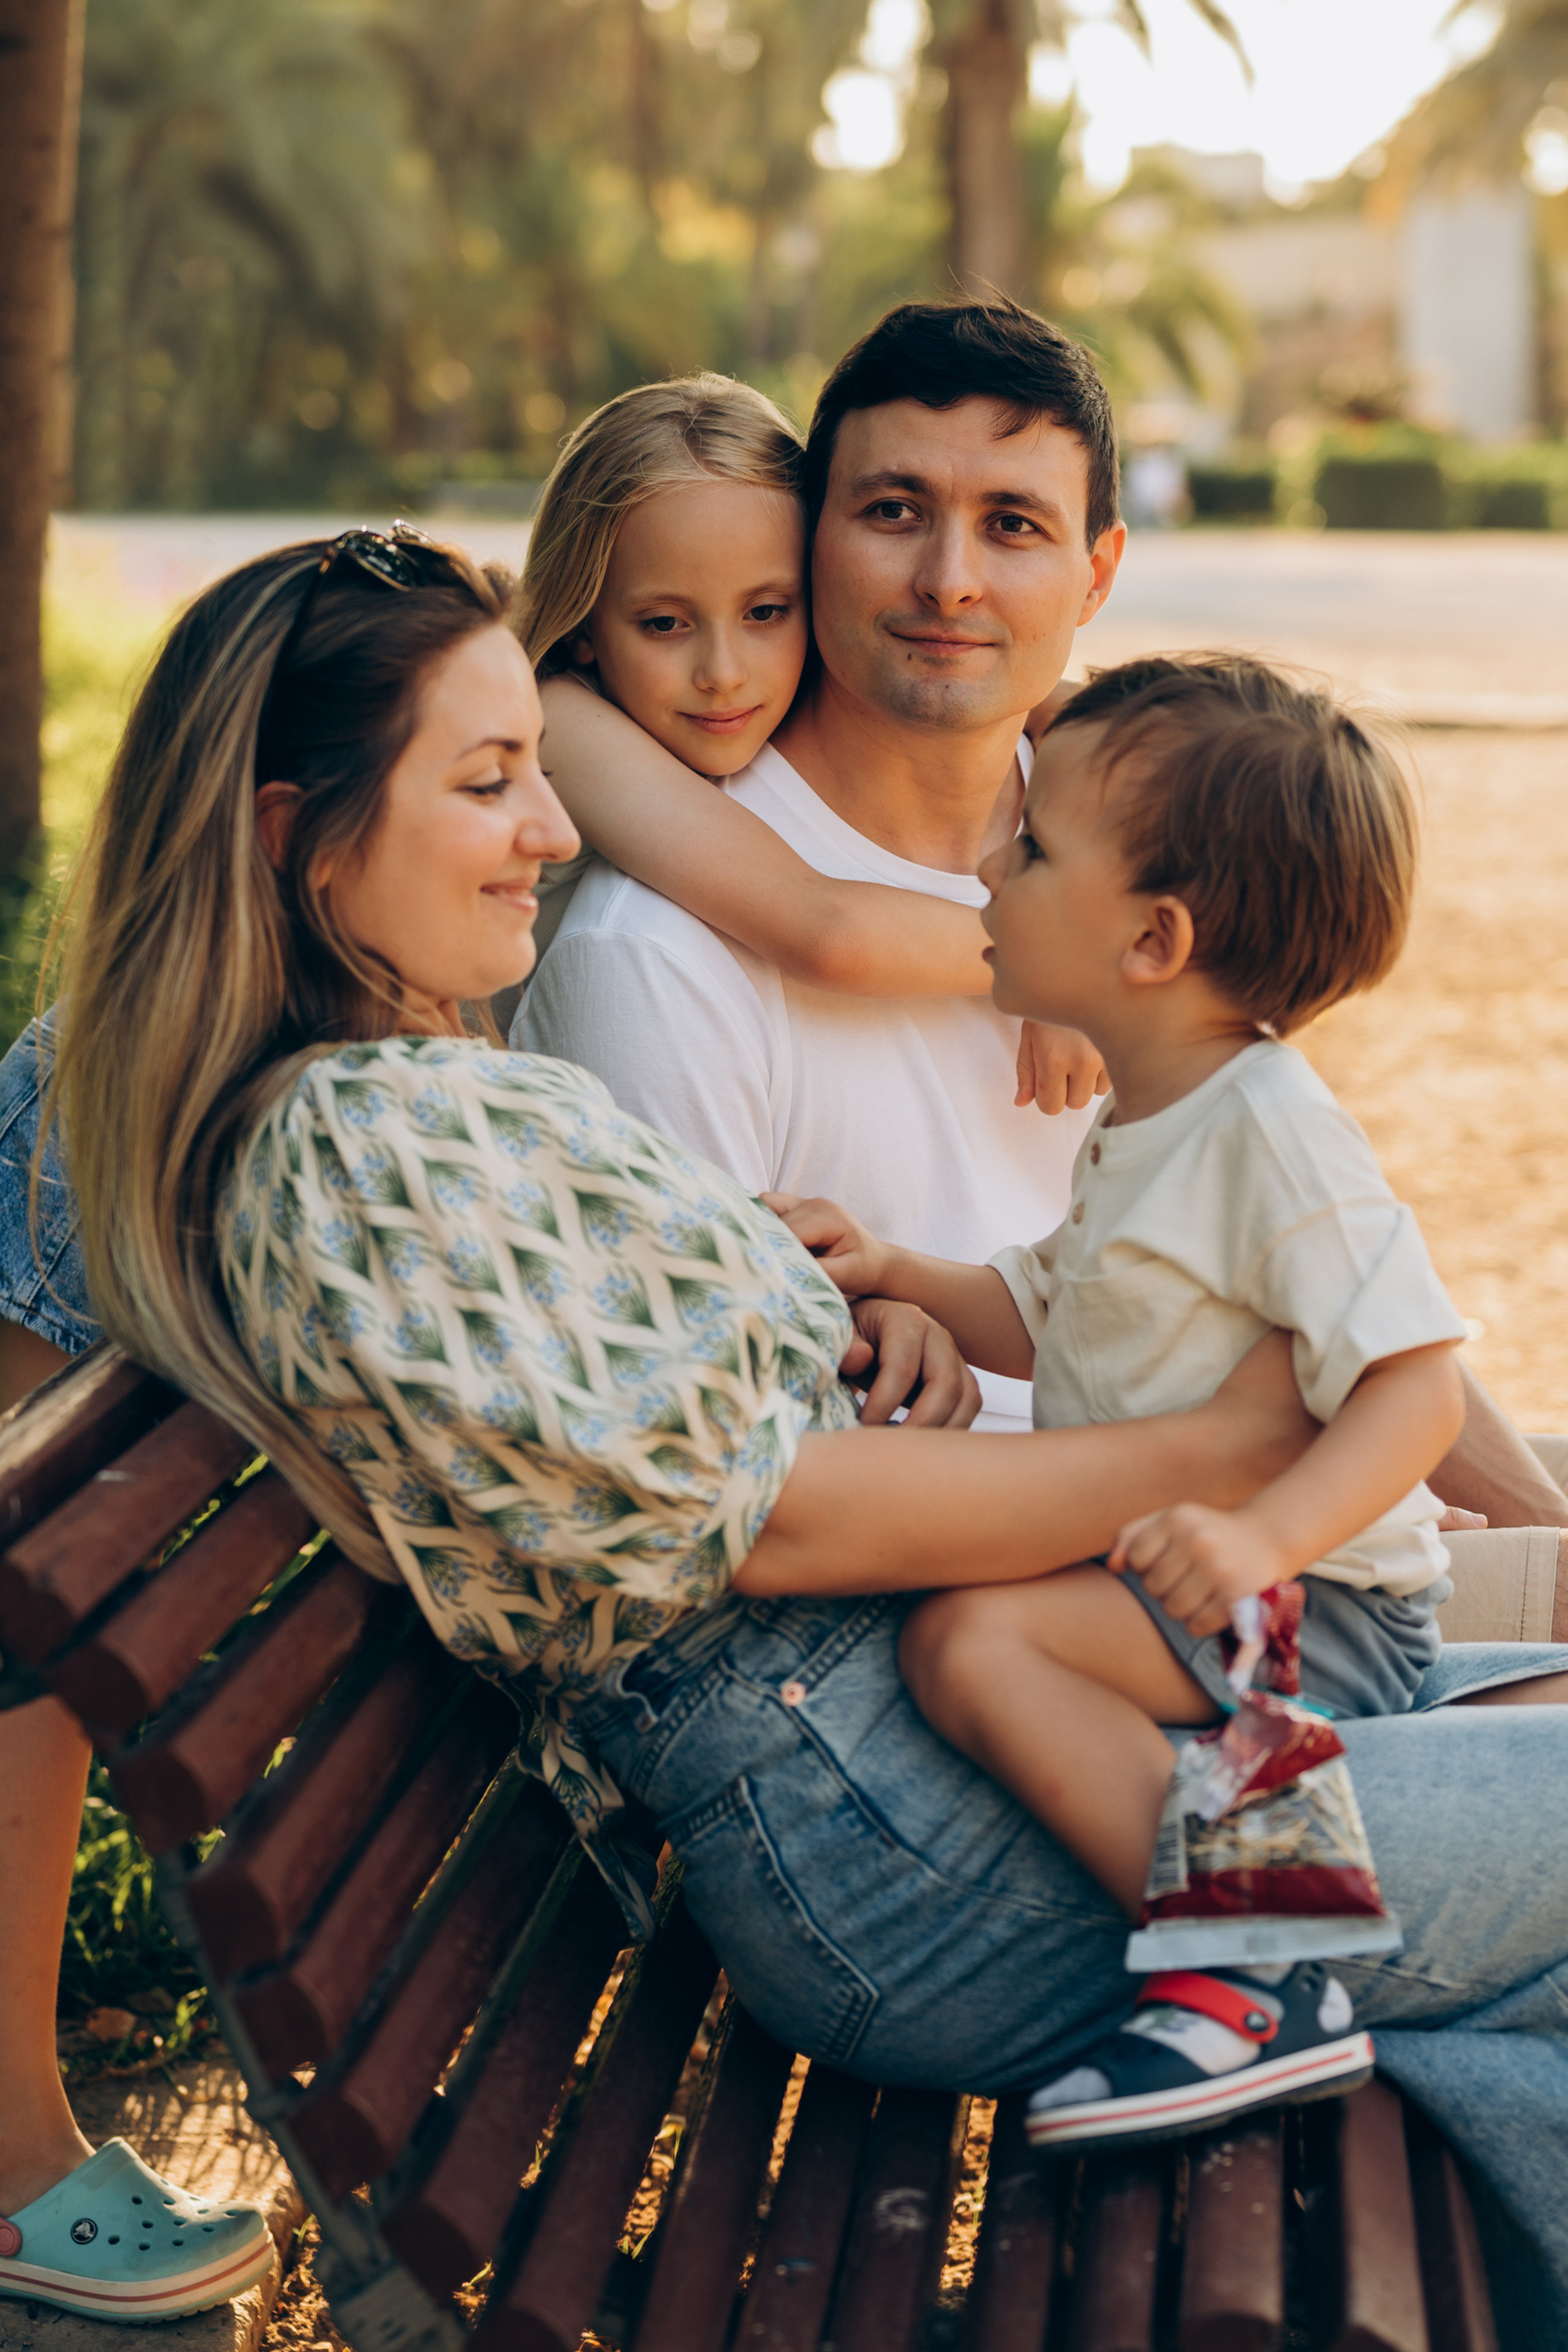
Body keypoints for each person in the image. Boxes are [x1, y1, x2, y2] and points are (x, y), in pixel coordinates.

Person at [3, 524, 1568, 2346]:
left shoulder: (420, 1098)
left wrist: (874, 1303)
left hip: (930, 1772)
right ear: (294, 834)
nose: (558, 827)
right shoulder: (369, 1146)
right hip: (914, 1837)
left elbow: (689, 1434)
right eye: (490, 781)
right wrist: (1212, 1447)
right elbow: (772, 1521)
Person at [768, 652, 1484, 2141]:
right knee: (980, 1625)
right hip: (1219, 1584)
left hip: (1316, 1605)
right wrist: (893, 1261)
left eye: (1029, 848)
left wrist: (1262, 1534)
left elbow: (1412, 1385)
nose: (988, 863)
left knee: (974, 1634)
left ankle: (1261, 1972)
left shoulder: (1269, 1129)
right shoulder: (1147, 1112)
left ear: (1150, 939)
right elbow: (1043, 1308)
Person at [521, 301, 1131, 1430]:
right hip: (1017, 1553)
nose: (949, 581)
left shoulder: (1143, 853)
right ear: (817, 541)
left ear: (1097, 576)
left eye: (1013, 525)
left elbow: (1317, 1256)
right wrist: (1070, 956)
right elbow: (726, 1460)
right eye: (895, 512)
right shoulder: (652, 931)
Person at [510, 369, 1102, 1118]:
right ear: (586, 626)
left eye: (766, 610)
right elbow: (825, 929)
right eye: (663, 624)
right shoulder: (552, 719)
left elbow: (1032, 692)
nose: (723, 676)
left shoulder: (804, 666)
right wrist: (1064, 960)